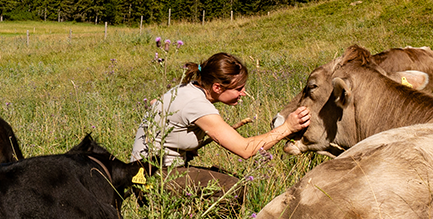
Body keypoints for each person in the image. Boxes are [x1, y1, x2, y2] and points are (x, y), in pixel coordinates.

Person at [130, 52, 310, 207]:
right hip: (154, 180)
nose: (243, 93)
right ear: (217, 87)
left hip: (143, 173)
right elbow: (245, 150)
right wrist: (288, 127)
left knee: (227, 179)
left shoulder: (186, 89)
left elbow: (155, 104)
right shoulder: (197, 104)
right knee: (233, 188)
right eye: (239, 88)